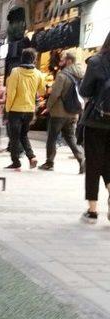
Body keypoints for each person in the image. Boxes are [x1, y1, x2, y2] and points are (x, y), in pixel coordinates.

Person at [79, 32, 110, 224]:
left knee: (93, 163)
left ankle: (92, 211)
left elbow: (84, 91)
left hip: (96, 121)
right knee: (109, 163)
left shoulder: (97, 61)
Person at [39, 52, 85, 173]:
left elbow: (55, 94)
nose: (60, 62)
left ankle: (49, 162)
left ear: (69, 61)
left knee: (52, 138)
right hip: (74, 112)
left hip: (59, 113)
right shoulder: (81, 74)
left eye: (63, 59)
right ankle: (81, 160)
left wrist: (48, 107)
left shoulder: (62, 75)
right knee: (70, 138)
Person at [4, 48, 46, 170]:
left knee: (14, 136)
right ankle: (31, 156)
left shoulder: (15, 72)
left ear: (22, 58)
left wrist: (8, 109)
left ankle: (16, 162)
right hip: (29, 109)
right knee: (23, 135)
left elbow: (11, 93)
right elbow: (42, 90)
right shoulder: (38, 74)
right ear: (34, 59)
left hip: (15, 110)